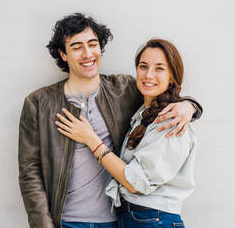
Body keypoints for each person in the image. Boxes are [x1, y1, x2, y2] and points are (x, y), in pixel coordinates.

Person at [18, 13, 202, 228]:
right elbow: (30, 172)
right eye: (77, 47)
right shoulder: (39, 103)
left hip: (118, 221)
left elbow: (160, 91)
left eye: (92, 44)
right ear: (63, 54)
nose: (87, 54)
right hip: (67, 221)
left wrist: (190, 106)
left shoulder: (124, 89)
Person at [56, 38, 197, 228]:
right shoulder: (142, 113)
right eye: (143, 66)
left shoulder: (171, 122)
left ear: (173, 76)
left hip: (153, 219)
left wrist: (90, 139)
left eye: (159, 68)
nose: (149, 75)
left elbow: (134, 182)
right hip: (133, 218)